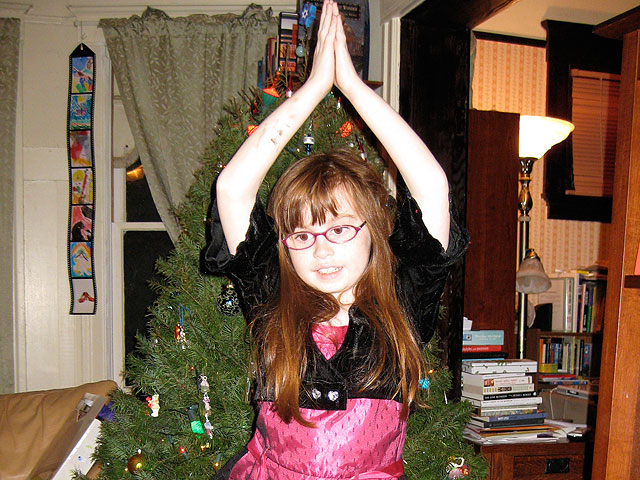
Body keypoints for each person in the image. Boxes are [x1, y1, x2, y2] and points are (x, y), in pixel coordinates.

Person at [204, 1, 468, 478]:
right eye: (302, 235)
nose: (321, 250)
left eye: (341, 229)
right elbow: (232, 189)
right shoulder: (273, 298)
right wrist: (312, 89)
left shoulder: (403, 305)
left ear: (373, 230)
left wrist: (351, 86)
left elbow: (433, 188)